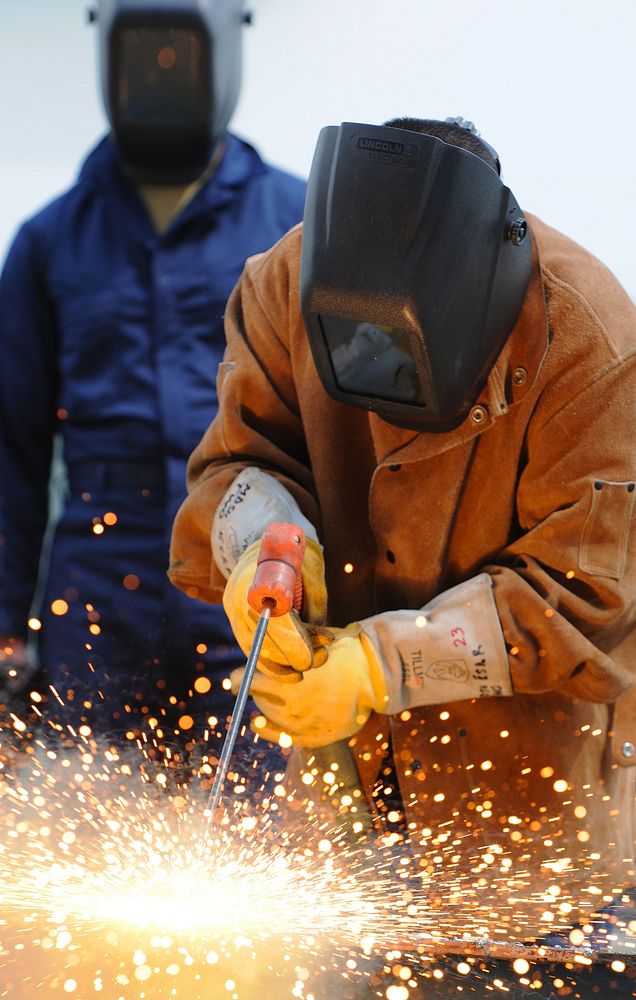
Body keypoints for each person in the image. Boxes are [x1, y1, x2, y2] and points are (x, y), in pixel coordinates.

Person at [168, 116, 636, 943]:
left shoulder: (590, 343)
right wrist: (264, 551)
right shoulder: (286, 283)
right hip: (342, 804)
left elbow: (587, 593)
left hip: (527, 826)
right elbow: (235, 465)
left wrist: (380, 666)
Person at [0, 0, 306, 742]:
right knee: (85, 814)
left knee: (243, 829)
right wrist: (5, 624)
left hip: (251, 577)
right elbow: (11, 450)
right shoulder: (50, 242)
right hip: (98, 594)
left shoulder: (296, 225)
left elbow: (343, 430)